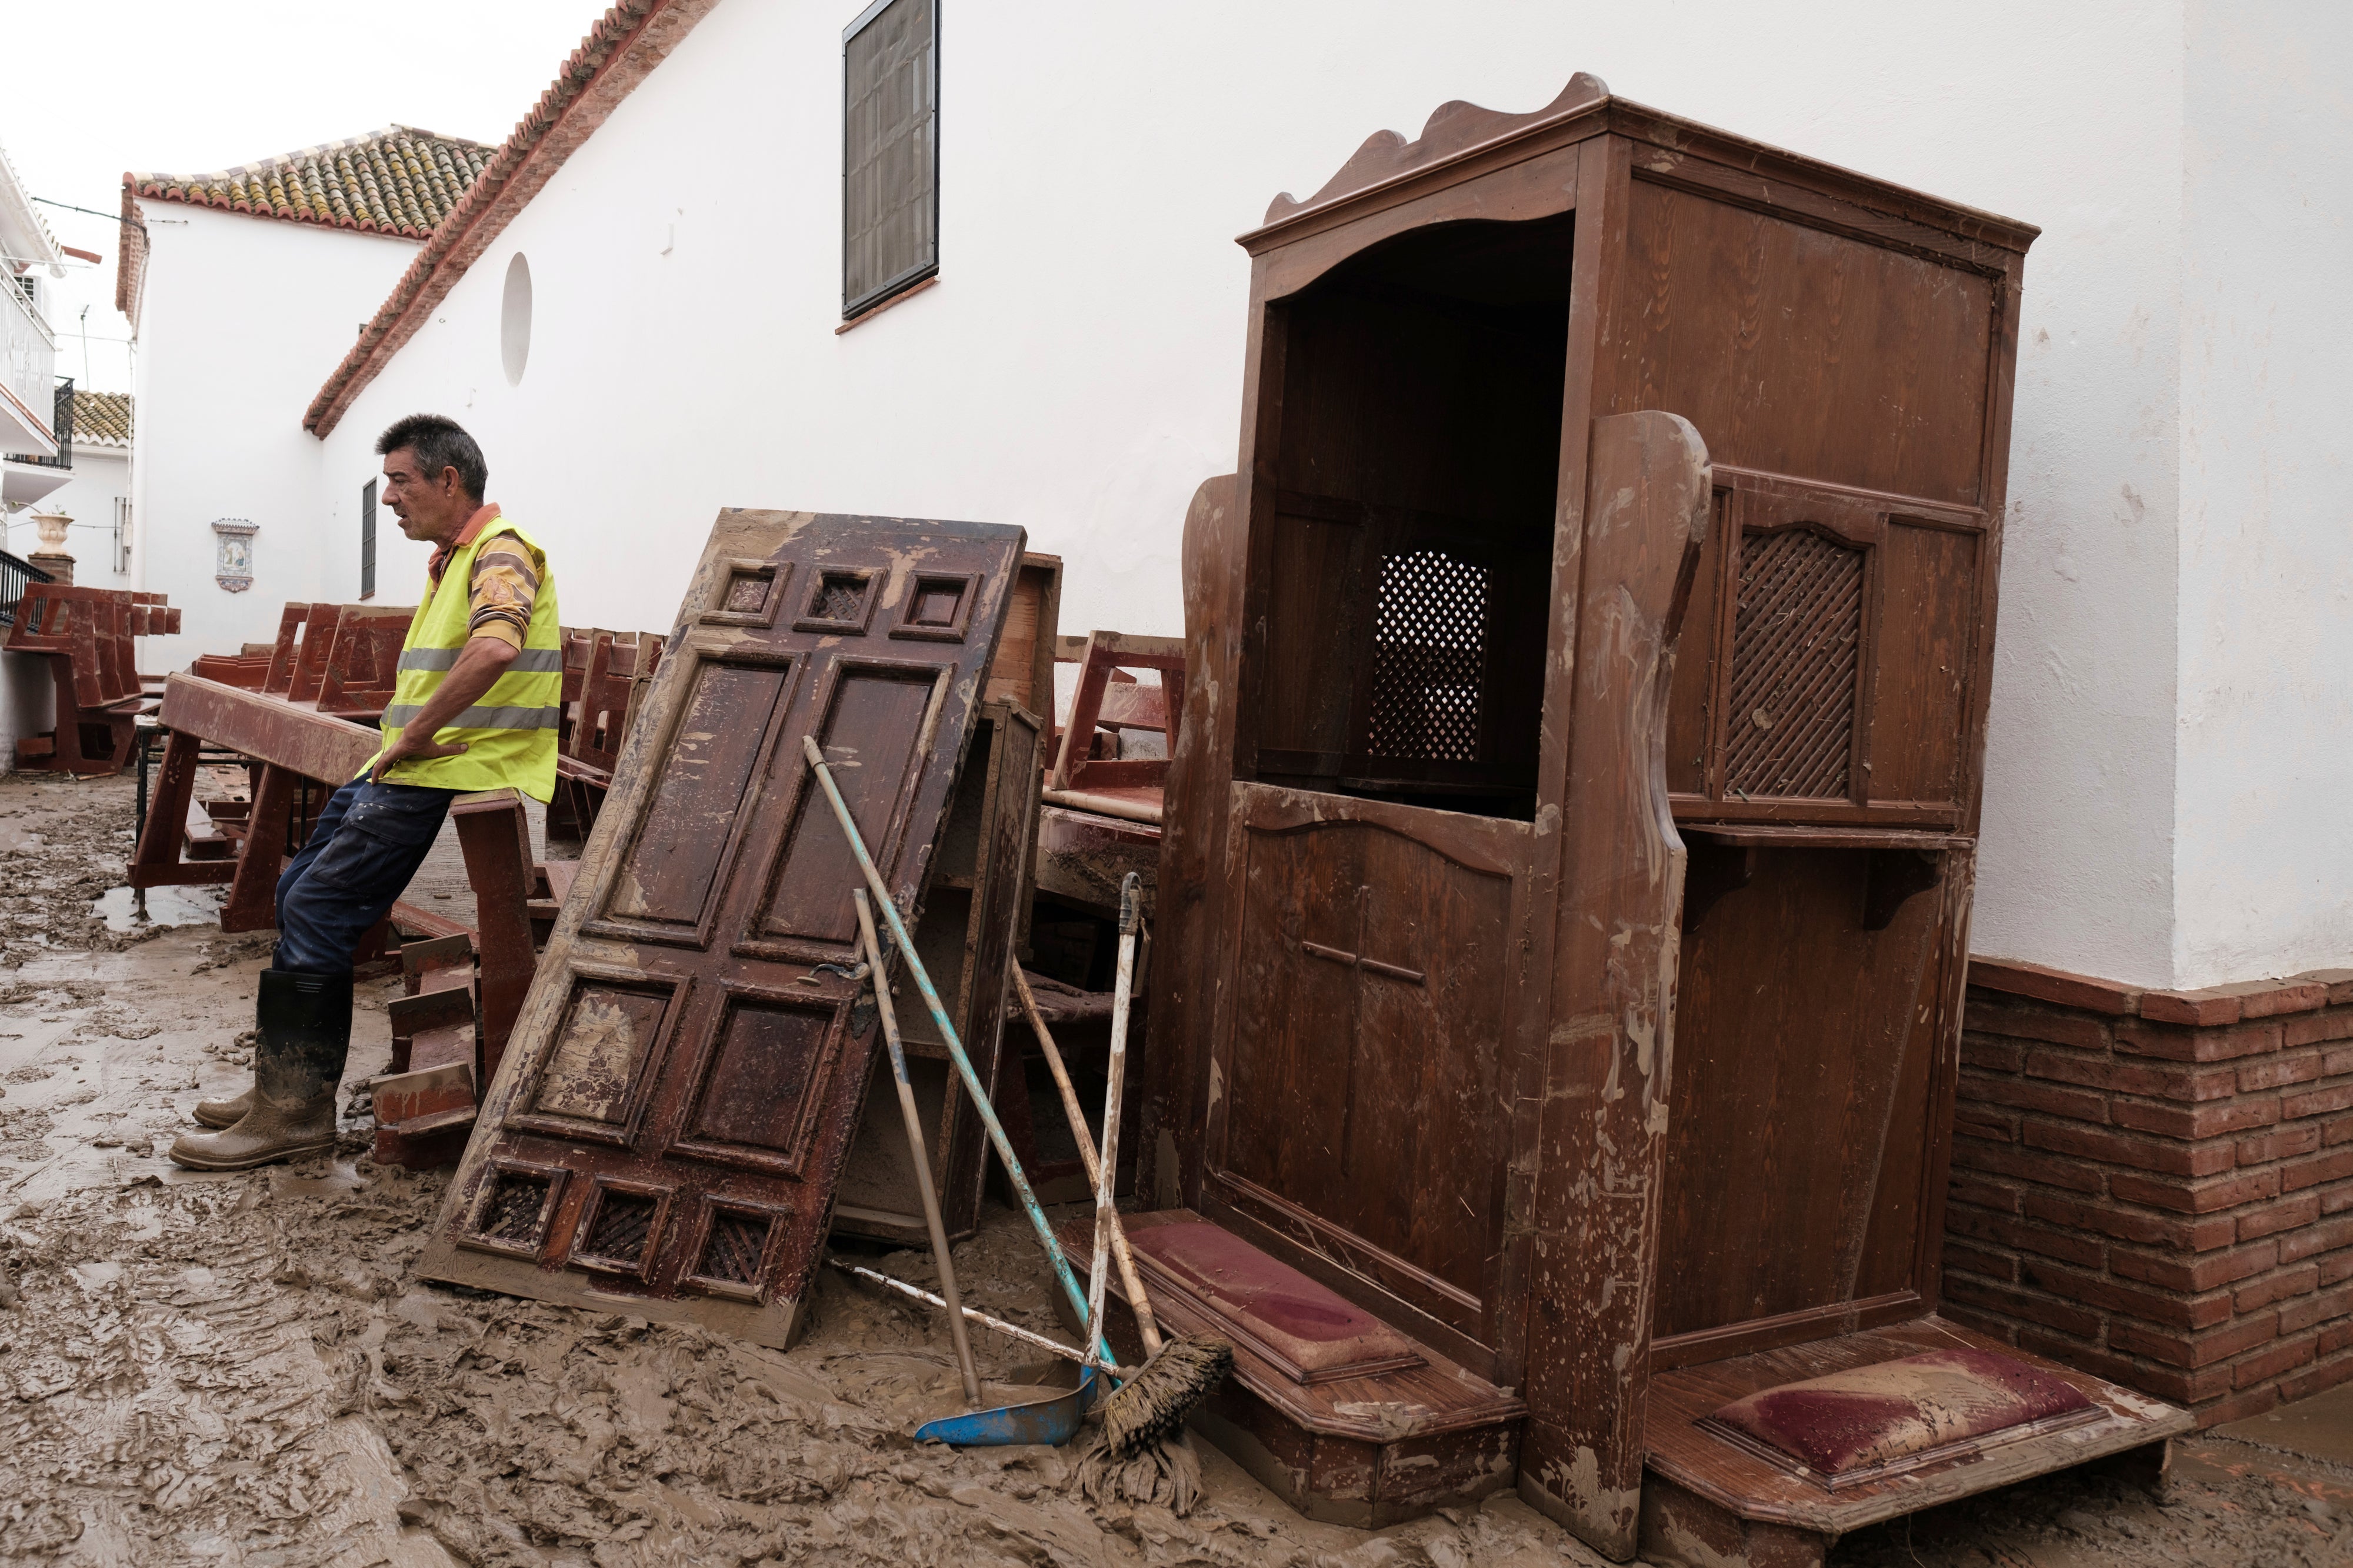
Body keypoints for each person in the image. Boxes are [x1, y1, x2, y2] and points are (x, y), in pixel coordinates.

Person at [170, 414, 562, 1169]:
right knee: (297, 892)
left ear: (449, 480)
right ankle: (280, 1085)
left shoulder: (501, 549)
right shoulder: (456, 558)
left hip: (452, 763)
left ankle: (295, 1113)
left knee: (319, 903)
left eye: (399, 481)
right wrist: (403, 741)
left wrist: (416, 735)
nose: (388, 498)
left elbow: (495, 646)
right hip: (409, 760)